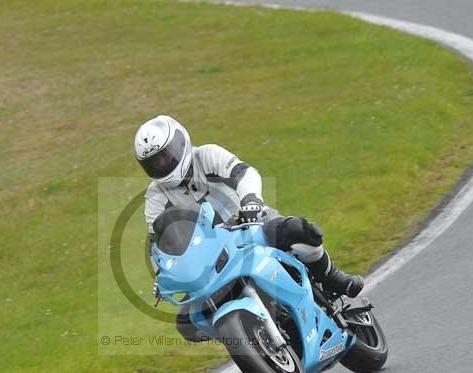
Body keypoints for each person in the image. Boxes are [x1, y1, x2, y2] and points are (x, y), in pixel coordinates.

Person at [134, 114, 363, 340]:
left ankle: (331, 277)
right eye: (154, 162)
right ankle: (244, 333)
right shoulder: (155, 196)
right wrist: (164, 275)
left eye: (165, 155)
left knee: (300, 231)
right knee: (186, 323)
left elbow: (243, 173)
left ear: (180, 143)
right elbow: (158, 243)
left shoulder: (207, 155)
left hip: (252, 226)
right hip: (212, 259)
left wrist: (251, 201)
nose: (162, 164)